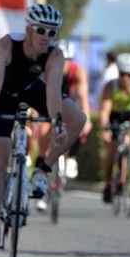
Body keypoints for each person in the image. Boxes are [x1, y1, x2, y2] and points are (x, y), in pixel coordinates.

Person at [0, 3, 86, 249]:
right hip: (4, 95)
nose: (46, 37)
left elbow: (53, 94)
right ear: (28, 29)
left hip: (34, 92)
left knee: (78, 120)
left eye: (52, 33)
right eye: (41, 31)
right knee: (0, 159)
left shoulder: (55, 54)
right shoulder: (6, 45)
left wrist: (58, 122)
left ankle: (42, 169)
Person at [35, 39, 93, 211]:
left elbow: (83, 97)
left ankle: (71, 158)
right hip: (48, 102)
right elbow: (39, 96)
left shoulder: (78, 72)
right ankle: (41, 174)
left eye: (68, 60)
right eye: (62, 59)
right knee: (45, 133)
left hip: (68, 102)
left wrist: (88, 117)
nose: (64, 64)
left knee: (79, 124)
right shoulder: (48, 68)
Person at [98, 53, 130, 203]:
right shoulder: (110, 86)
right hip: (114, 115)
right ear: (117, 72)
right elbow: (104, 111)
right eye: (122, 74)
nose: (125, 78)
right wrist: (105, 129)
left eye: (129, 75)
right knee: (111, 151)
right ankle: (107, 185)